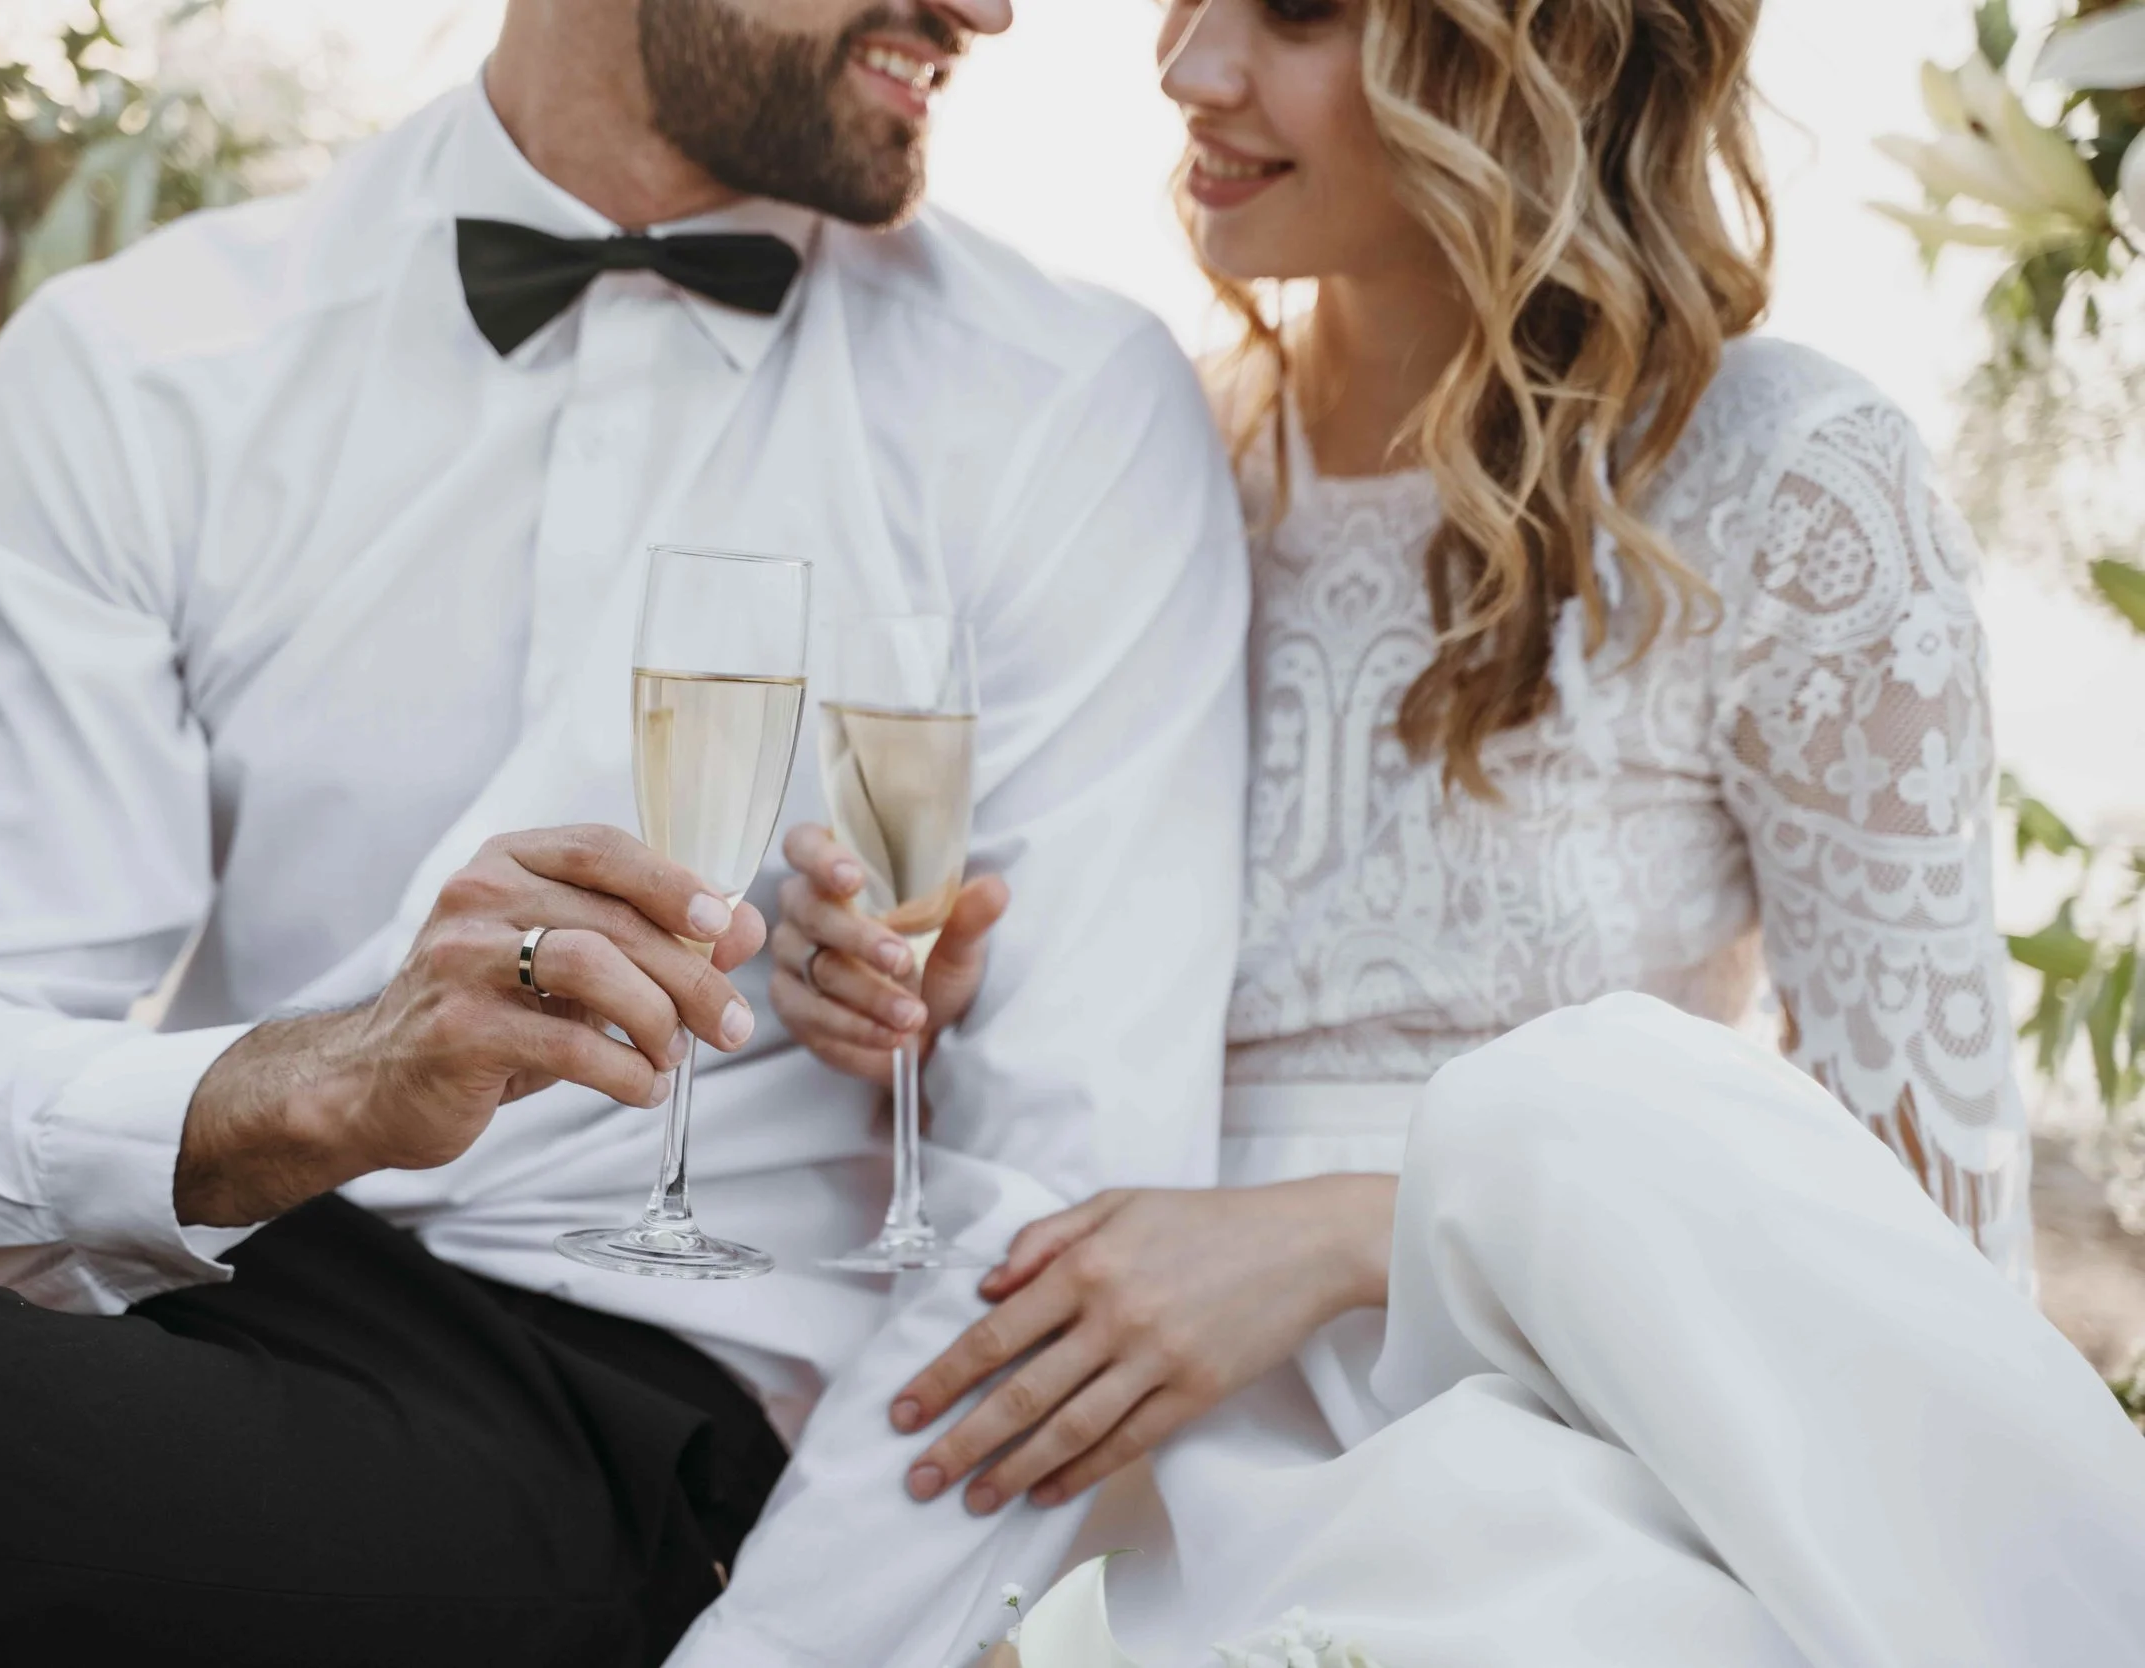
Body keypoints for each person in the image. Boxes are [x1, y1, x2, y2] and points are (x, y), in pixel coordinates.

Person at [0, 0, 1255, 1662]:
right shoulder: (151, 357)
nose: (988, 8)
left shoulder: (1062, 406)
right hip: (200, 1262)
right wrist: (318, 1085)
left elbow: (1065, 1219)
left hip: (604, 1424)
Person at [768, 0, 2145, 1655]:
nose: (1188, 67)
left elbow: (1925, 1263)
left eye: (1294, 13)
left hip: (1571, 1466)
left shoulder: (1784, 484)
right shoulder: (1143, 464)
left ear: (1532, 55)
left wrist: (1352, 1237)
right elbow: (1055, 1069)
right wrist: (908, 1007)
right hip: (1096, 1466)